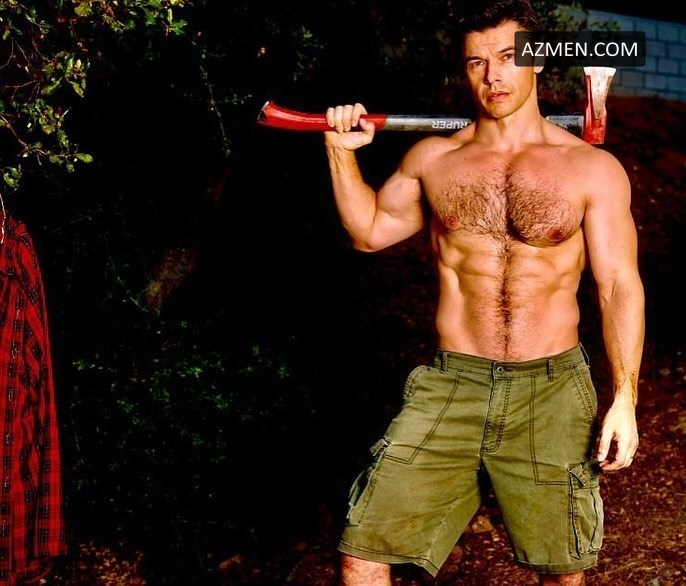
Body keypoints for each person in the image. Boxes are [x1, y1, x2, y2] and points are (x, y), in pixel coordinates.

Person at [322, 1, 645, 584]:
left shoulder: (590, 169)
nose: (493, 76)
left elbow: (619, 284)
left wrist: (625, 395)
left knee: (561, 566)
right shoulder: (434, 159)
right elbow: (369, 232)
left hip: (550, 389)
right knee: (363, 550)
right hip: (453, 383)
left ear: (538, 61)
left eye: (506, 57)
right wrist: (340, 155)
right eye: (477, 62)